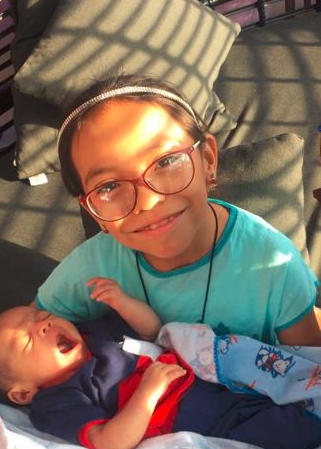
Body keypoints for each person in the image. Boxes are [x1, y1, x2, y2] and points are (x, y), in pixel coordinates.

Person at [34, 73, 321, 349]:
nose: (147, 202)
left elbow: (309, 366)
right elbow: (24, 335)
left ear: (208, 159)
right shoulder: (94, 267)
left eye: (166, 162)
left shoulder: (273, 264)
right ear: (93, 212)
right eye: (109, 186)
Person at [0, 278, 321, 449]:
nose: (44, 325)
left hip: (211, 376)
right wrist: (148, 393)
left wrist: (124, 304)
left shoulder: (95, 333)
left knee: (283, 376)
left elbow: (152, 331)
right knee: (284, 430)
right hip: (202, 422)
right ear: (23, 392)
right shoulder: (57, 402)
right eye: (27, 340)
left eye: (40, 316)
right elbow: (109, 444)